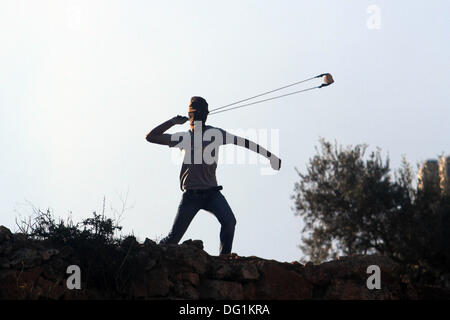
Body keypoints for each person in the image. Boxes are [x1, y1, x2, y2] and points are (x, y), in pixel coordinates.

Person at [146, 96, 281, 255]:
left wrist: (269, 156)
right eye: (195, 114)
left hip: (212, 193)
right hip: (191, 196)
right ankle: (151, 252)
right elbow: (150, 137)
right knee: (173, 239)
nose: (198, 118)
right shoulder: (184, 138)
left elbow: (243, 142)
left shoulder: (215, 134)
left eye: (201, 114)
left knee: (229, 221)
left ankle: (224, 259)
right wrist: (172, 122)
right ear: (190, 116)